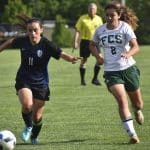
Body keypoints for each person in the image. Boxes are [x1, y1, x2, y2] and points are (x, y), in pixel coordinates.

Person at [0, 15, 81, 144]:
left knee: (37, 116)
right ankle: (28, 126)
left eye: (35, 30)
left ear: (41, 30)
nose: (32, 33)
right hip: (23, 79)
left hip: (41, 83)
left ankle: (34, 137)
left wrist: (71, 59)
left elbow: (60, 54)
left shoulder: (47, 44)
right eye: (29, 30)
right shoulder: (23, 41)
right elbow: (10, 41)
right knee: (27, 105)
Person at [90, 3, 144, 144]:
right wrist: (98, 56)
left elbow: (135, 46)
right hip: (111, 72)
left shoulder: (125, 27)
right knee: (121, 100)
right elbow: (92, 44)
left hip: (129, 69)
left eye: (112, 15)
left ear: (118, 15)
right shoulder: (100, 30)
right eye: (107, 15)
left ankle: (137, 110)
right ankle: (132, 134)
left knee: (138, 104)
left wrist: (127, 54)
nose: (109, 18)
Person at [73, 2, 103, 86]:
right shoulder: (82, 18)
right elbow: (77, 30)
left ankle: (95, 79)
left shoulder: (99, 19)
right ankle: (82, 80)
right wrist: (75, 42)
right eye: (90, 9)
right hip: (85, 42)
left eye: (93, 9)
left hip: (96, 42)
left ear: (96, 10)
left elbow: (102, 31)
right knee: (84, 60)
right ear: (88, 10)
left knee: (100, 59)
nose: (92, 10)